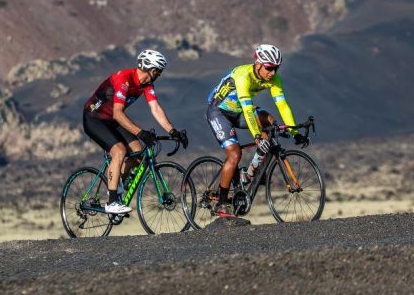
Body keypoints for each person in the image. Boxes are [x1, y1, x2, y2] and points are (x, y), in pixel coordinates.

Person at [83, 49, 188, 215]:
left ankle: (117, 188)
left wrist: (172, 130)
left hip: (112, 120)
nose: (159, 75)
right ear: (152, 69)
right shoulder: (124, 79)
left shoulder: (146, 85)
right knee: (119, 151)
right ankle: (111, 202)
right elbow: (118, 113)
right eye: (159, 71)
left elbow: (155, 108)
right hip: (94, 118)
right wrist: (140, 132)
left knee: (138, 155)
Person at [206, 44, 306, 217]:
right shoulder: (243, 75)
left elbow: (282, 105)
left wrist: (294, 132)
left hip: (239, 111)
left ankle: (257, 170)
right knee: (234, 154)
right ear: (258, 64)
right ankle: (221, 203)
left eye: (276, 68)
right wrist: (256, 135)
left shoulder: (274, 79)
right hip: (219, 111)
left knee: (270, 121)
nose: (273, 73)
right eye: (269, 68)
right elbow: (247, 108)